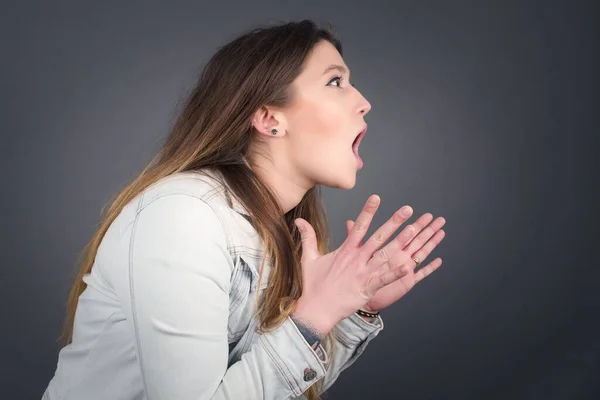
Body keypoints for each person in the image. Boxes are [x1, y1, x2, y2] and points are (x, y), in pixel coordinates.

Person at [43, 19, 446, 400]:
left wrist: (353, 306)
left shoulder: (277, 231)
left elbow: (277, 387)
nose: (364, 102)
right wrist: (313, 315)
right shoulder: (184, 218)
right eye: (335, 81)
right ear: (269, 119)